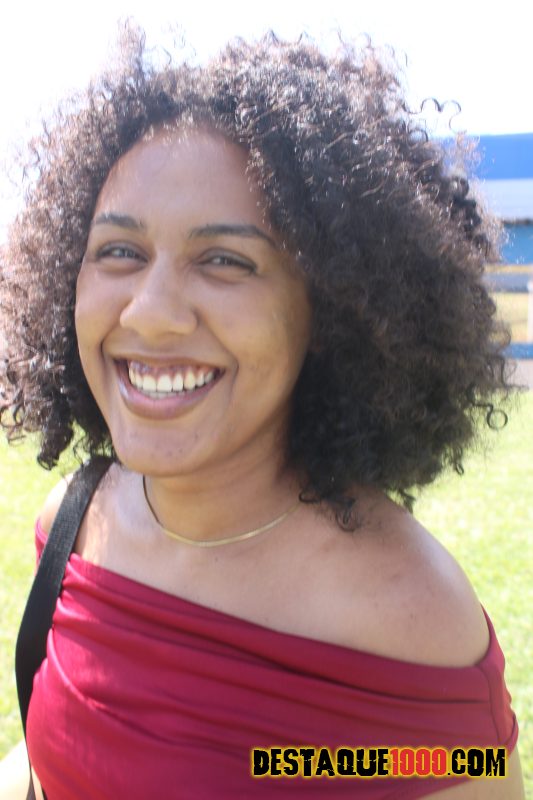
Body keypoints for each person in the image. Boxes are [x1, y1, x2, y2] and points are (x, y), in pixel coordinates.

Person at [0, 26, 525, 799]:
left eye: (225, 260)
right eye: (118, 251)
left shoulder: (408, 621)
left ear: (331, 310)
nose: (150, 313)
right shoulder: (75, 521)